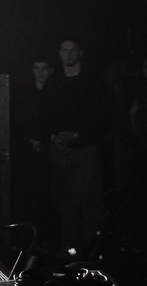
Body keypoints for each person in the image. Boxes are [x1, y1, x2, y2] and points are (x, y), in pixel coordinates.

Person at [40, 38, 111, 250]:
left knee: (91, 205)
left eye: (73, 50)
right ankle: (70, 251)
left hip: (86, 150)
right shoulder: (54, 83)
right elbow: (43, 114)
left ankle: (94, 252)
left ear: (81, 53)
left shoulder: (93, 82)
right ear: (59, 53)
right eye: (64, 49)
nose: (69, 54)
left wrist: (79, 136)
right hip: (59, 151)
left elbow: (103, 117)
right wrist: (53, 137)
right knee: (64, 204)